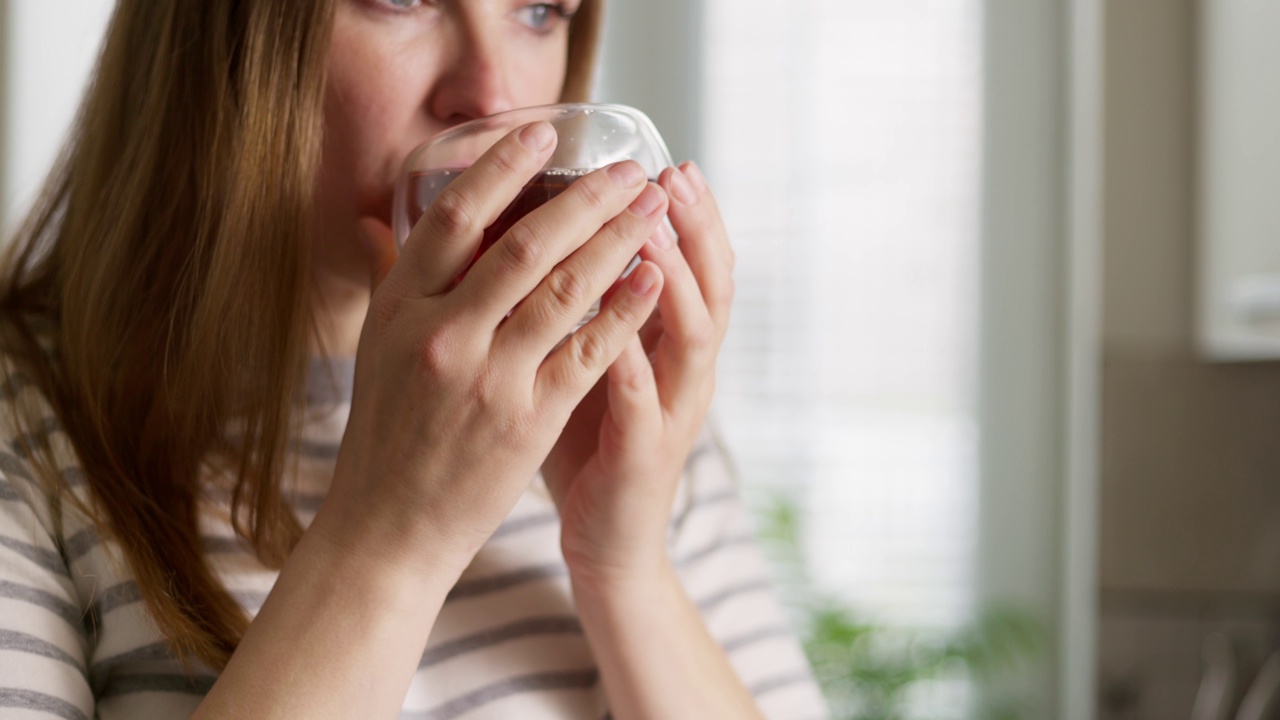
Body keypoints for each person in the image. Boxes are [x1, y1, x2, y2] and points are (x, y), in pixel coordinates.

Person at [0, 1, 827, 718]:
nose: (496, 94)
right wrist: (392, 540)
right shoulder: (25, 425)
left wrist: (625, 568)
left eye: (541, 9)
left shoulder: (610, 391)